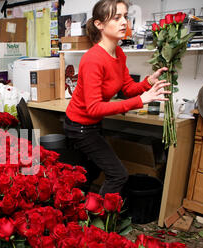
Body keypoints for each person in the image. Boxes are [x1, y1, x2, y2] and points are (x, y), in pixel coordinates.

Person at [63, 0, 171, 196]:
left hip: (92, 125)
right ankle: (98, 222)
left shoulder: (119, 53)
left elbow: (128, 87)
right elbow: (94, 108)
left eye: (125, 16)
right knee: (118, 175)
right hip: (79, 126)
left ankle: (74, 208)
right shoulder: (93, 58)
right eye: (116, 17)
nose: (124, 22)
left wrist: (148, 82)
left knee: (91, 171)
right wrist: (141, 100)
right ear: (99, 24)